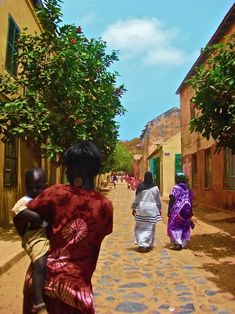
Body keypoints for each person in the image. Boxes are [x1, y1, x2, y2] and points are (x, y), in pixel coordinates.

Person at [23, 141, 113, 314]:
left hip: (41, 285)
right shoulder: (105, 206)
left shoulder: (55, 193)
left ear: (78, 170)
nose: (66, 172)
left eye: (68, 167)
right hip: (77, 291)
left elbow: (28, 213)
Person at [12, 167, 49, 314]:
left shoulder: (45, 198)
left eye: (38, 187)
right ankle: (38, 302)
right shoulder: (25, 200)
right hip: (33, 236)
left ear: (45, 186)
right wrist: (38, 218)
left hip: (44, 233)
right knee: (40, 262)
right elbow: (17, 211)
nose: (34, 190)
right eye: (30, 187)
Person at [131, 171, 162, 252]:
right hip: (152, 209)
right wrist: (159, 209)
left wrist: (134, 208)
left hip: (142, 209)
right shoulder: (155, 188)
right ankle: (148, 245)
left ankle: (142, 244)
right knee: (150, 227)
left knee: (140, 227)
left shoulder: (140, 186)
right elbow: (158, 200)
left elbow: (137, 199)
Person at [167, 172, 193, 250]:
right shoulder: (188, 188)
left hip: (177, 211)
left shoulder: (176, 188)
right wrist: (191, 213)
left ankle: (178, 243)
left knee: (174, 226)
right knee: (185, 226)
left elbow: (172, 199)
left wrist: (169, 211)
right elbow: (190, 200)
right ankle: (184, 243)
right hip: (187, 211)